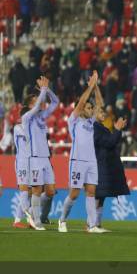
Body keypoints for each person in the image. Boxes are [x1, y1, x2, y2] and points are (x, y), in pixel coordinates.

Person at [58, 71, 105, 233]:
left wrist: (96, 86)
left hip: (91, 161)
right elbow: (82, 101)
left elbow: (100, 103)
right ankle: (62, 220)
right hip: (77, 160)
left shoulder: (91, 122)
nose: (91, 109)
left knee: (91, 192)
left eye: (91, 108)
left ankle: (92, 225)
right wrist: (90, 87)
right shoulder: (74, 120)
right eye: (88, 107)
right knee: (75, 193)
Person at [21, 76, 59, 230]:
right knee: (37, 189)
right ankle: (36, 220)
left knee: (50, 191)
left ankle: (31, 211)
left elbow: (55, 102)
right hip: (34, 158)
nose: (40, 102)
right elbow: (37, 107)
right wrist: (42, 89)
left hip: (46, 158)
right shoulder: (26, 118)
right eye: (36, 100)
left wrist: (47, 89)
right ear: (30, 104)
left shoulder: (42, 117)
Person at [94, 107, 130, 231]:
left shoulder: (102, 128)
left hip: (106, 164)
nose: (103, 113)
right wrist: (117, 130)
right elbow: (109, 143)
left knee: (101, 196)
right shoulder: (95, 128)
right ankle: (91, 224)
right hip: (100, 164)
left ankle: (97, 224)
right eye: (100, 111)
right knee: (98, 195)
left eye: (103, 112)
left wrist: (116, 130)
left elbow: (112, 142)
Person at [12, 110, 32, 229]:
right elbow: (28, 136)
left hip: (31, 163)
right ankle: (29, 219)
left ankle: (17, 220)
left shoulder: (32, 128)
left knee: (29, 192)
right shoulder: (17, 127)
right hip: (21, 162)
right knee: (24, 190)